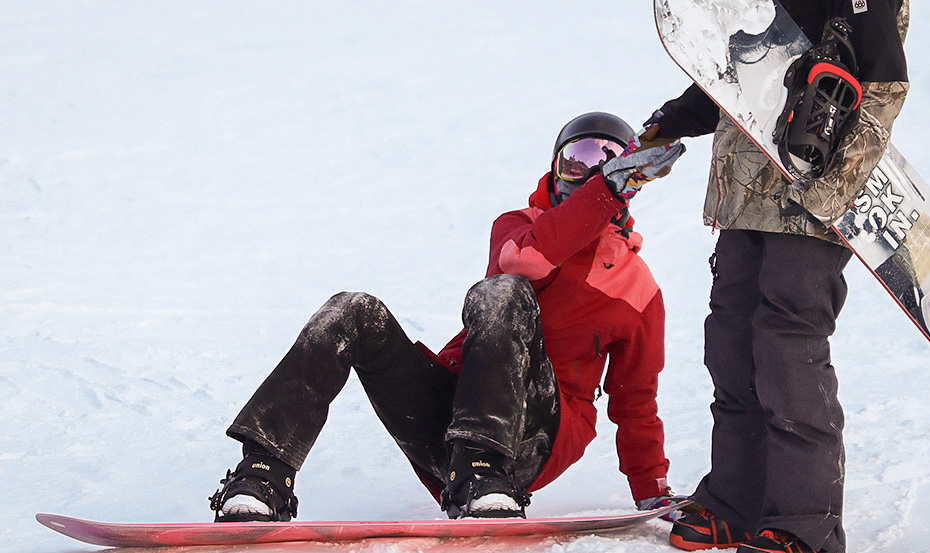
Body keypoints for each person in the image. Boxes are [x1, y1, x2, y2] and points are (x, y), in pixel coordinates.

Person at [208, 112, 686, 522]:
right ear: (556, 167)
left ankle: (487, 473)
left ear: (634, 179)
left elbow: (635, 400)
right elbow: (527, 262)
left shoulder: (637, 288)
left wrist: (652, 491)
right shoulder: (520, 226)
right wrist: (603, 191)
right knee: (355, 310)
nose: (590, 170)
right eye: (577, 157)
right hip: (453, 421)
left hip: (535, 435)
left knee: (504, 292)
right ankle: (263, 476)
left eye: (608, 160)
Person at [643, 0, 910, 553]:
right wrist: (672, 119)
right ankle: (735, 501)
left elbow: (885, 86)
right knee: (731, 340)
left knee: (788, 345)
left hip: (810, 197)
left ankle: (805, 523)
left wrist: (831, 193)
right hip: (742, 189)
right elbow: (740, 71)